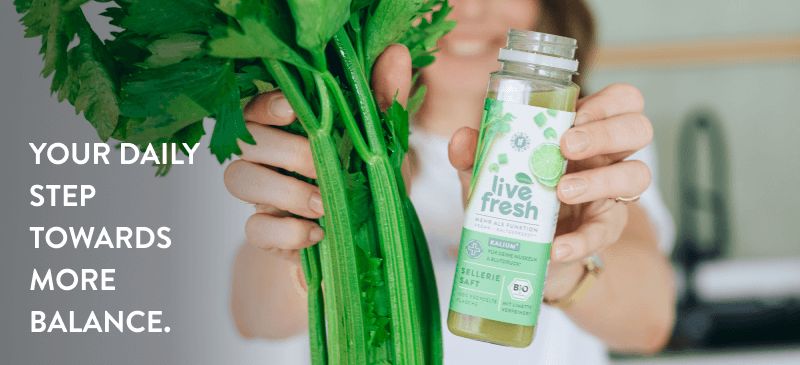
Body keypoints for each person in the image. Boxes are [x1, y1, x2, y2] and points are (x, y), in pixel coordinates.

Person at [224, 0, 677, 363]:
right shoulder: (320, 139)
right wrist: (323, 229)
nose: (473, 10)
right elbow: (252, 313)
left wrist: (559, 260)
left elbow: (651, 322)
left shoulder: (585, 142)